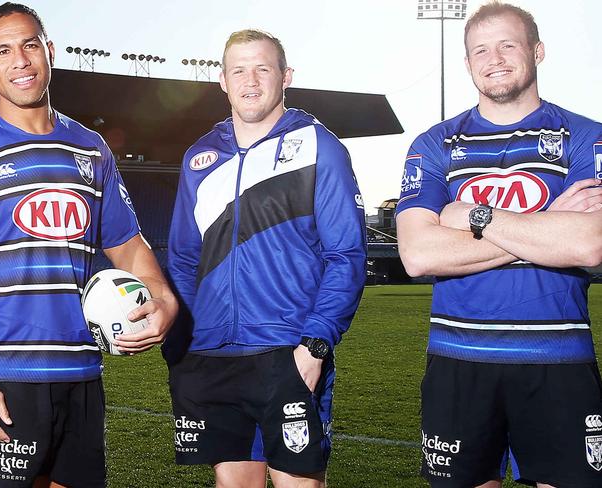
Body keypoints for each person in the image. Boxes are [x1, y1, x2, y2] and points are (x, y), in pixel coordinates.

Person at [0, 3, 178, 487]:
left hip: (81, 373)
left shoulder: (91, 148)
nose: (20, 60)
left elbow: (129, 246)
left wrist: (163, 297)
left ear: (49, 51)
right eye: (3, 50)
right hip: (4, 378)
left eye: (30, 44)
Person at [396, 2, 602, 487]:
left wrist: (472, 216)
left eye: (508, 44)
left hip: (558, 360)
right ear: (468, 63)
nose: (495, 58)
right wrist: (549, 225)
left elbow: (590, 244)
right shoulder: (434, 145)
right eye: (480, 50)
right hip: (458, 360)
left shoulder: (586, 137)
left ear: (537, 50)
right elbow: (418, 254)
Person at [166, 29, 366, 488]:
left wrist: (314, 347)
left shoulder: (320, 147)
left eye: (262, 68)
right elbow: (182, 259)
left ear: (285, 76)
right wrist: (184, 344)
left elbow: (346, 256)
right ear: (222, 80)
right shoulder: (200, 157)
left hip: (287, 353)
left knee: (299, 483)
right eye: (239, 70)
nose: (250, 81)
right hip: (213, 357)